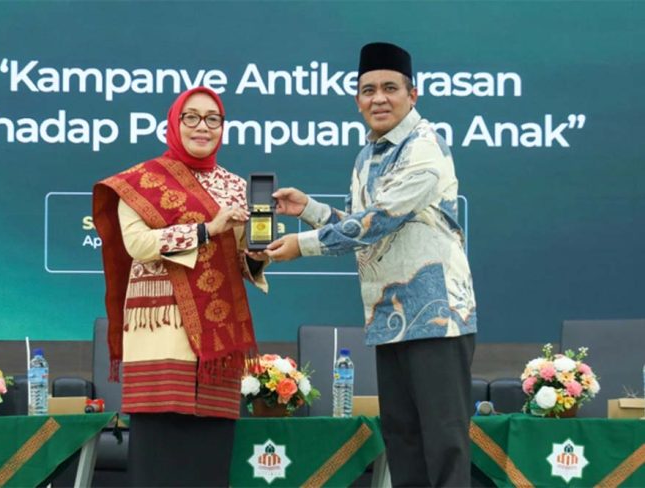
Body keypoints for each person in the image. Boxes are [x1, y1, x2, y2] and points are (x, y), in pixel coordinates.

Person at [265, 42, 477, 487]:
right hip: (389, 318)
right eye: (368, 90)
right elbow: (361, 226)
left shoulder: (424, 146)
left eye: (389, 88)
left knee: (444, 444)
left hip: (437, 318)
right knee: (403, 441)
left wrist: (303, 245)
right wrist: (309, 210)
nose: (378, 98)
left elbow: (379, 220)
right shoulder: (367, 155)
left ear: (412, 95)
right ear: (357, 101)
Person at [93, 86, 268, 487]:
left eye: (212, 119)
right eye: (191, 117)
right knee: (159, 458)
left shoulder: (235, 185)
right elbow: (138, 245)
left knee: (208, 462)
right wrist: (207, 229)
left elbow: (242, 262)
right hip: (163, 330)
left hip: (217, 341)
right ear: (174, 123)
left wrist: (258, 253)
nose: (202, 127)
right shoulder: (141, 181)